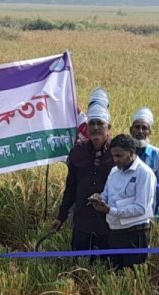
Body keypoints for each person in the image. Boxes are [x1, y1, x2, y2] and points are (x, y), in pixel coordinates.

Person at [51, 98, 114, 261]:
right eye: (92, 124)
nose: (96, 128)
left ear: (108, 127)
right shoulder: (78, 152)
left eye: (100, 123)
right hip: (82, 221)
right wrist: (61, 216)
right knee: (79, 263)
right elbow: (70, 187)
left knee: (107, 268)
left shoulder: (117, 152)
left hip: (108, 222)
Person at [91, 134, 156, 270]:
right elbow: (107, 195)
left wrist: (110, 210)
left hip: (134, 233)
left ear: (131, 153)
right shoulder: (114, 171)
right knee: (115, 273)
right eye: (113, 156)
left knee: (133, 276)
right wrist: (99, 198)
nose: (115, 160)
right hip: (114, 231)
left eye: (119, 156)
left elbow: (140, 208)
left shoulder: (144, 173)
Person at [130, 107, 159, 219]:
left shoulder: (158, 155)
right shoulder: (123, 152)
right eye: (137, 127)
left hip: (149, 214)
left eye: (144, 128)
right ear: (131, 130)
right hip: (125, 213)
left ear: (149, 132)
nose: (140, 131)